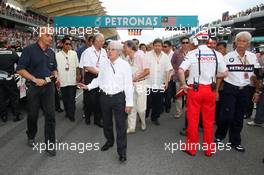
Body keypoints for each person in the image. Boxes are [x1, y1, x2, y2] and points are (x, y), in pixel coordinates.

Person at [78, 41, 133, 163]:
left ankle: (122, 152)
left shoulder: (125, 65)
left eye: (112, 49)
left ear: (118, 52)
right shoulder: (103, 64)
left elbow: (128, 85)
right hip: (104, 97)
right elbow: (98, 79)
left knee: (120, 126)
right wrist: (88, 86)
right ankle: (109, 141)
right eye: (108, 49)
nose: (108, 51)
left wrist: (129, 103)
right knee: (107, 123)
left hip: (119, 98)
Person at [178, 31, 228, 157]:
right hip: (210, 90)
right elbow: (225, 73)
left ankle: (192, 148)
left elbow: (180, 70)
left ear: (196, 41)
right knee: (209, 121)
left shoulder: (192, 53)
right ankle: (208, 149)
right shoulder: (217, 54)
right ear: (208, 40)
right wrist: (214, 75)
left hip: (195, 90)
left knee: (193, 120)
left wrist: (183, 84)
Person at [215, 31, 261, 152]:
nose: (241, 43)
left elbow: (255, 76)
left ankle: (235, 141)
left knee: (239, 116)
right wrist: (217, 91)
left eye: (244, 41)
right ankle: (219, 136)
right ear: (235, 43)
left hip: (245, 90)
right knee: (227, 114)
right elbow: (220, 76)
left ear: (248, 44)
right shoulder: (227, 57)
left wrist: (257, 91)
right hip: (230, 88)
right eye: (239, 41)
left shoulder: (252, 57)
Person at [16, 27, 58, 156]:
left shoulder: (51, 52)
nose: (50, 38)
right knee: (33, 115)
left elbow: (54, 69)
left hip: (48, 87)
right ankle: (31, 134)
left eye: (51, 36)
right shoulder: (29, 50)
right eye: (48, 35)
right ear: (40, 36)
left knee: (50, 115)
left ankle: (50, 143)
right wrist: (34, 79)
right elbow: (20, 69)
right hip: (34, 87)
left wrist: (55, 75)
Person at [79, 34, 107, 127]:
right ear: (95, 41)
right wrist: (99, 73)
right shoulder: (88, 52)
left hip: (102, 78)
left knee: (100, 100)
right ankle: (87, 116)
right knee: (90, 100)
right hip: (90, 76)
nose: (102, 43)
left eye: (103, 41)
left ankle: (97, 120)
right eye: (101, 41)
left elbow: (106, 64)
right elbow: (86, 66)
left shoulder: (104, 51)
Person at [124, 40, 150, 133]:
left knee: (141, 109)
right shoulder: (126, 58)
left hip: (141, 84)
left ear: (131, 47)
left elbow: (147, 71)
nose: (124, 49)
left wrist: (136, 78)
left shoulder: (141, 56)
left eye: (125, 47)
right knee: (131, 105)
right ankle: (131, 127)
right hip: (130, 85)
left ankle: (143, 122)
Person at [145, 39, 172, 125]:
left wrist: (166, 82)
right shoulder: (147, 55)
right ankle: (144, 116)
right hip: (148, 83)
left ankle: (155, 118)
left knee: (158, 102)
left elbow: (168, 70)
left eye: (159, 46)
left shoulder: (165, 56)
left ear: (162, 46)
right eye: (156, 45)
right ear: (153, 46)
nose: (157, 47)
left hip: (160, 83)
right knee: (147, 102)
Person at [56, 37, 80, 122]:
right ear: (62, 44)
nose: (69, 45)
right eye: (67, 44)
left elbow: (77, 66)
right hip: (63, 81)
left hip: (72, 80)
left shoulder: (74, 53)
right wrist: (57, 80)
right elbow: (56, 69)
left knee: (72, 99)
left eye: (70, 44)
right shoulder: (57, 55)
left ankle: (71, 114)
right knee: (65, 99)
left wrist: (78, 75)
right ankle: (67, 111)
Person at [0, 40, 22, 122]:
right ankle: (16, 115)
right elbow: (20, 62)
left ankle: (3, 116)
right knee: (14, 96)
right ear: (6, 45)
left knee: (1, 97)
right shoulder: (11, 52)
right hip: (9, 78)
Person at [171, 36, 190, 119]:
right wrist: (178, 71)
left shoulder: (193, 52)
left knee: (189, 96)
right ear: (181, 43)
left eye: (187, 42)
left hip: (190, 78)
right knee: (179, 96)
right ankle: (179, 112)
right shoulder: (176, 53)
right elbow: (173, 62)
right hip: (179, 78)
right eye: (183, 42)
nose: (185, 44)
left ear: (189, 43)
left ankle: (188, 111)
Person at [162, 40, 174, 113]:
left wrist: (172, 75)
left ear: (170, 47)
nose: (163, 48)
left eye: (165, 46)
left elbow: (175, 66)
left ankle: (168, 106)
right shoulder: (161, 54)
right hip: (161, 77)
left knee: (168, 94)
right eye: (163, 46)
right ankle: (162, 107)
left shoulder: (174, 54)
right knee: (161, 93)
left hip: (170, 77)